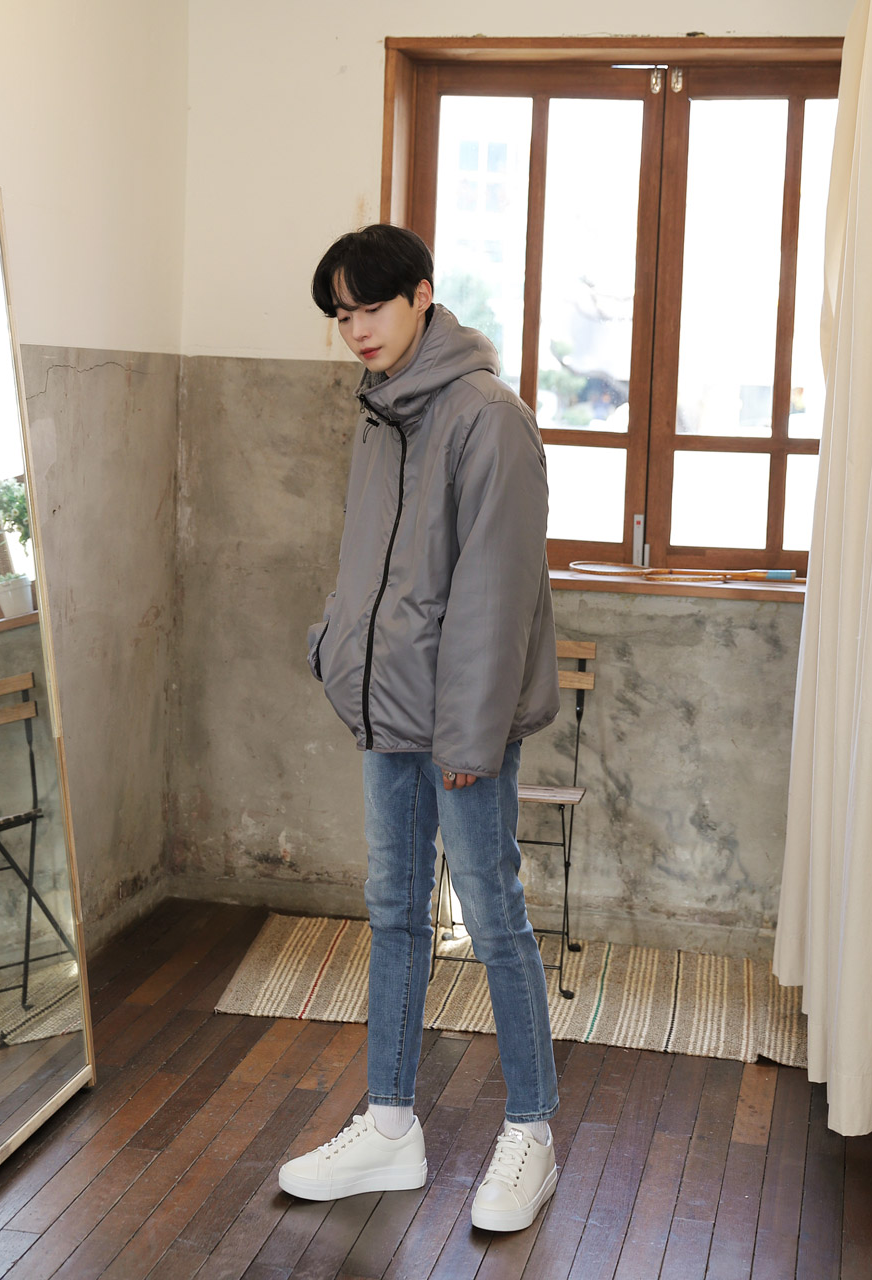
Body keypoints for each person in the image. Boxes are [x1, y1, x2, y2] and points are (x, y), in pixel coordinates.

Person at [277, 224, 562, 1232]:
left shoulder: (488, 417)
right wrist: (332, 646)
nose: (355, 328)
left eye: (370, 306)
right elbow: (365, 564)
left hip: (458, 729)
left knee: (492, 916)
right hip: (385, 712)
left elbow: (497, 595)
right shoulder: (379, 412)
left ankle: (531, 1130)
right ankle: (391, 1123)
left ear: (422, 295)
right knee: (393, 910)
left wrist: (469, 740)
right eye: (340, 315)